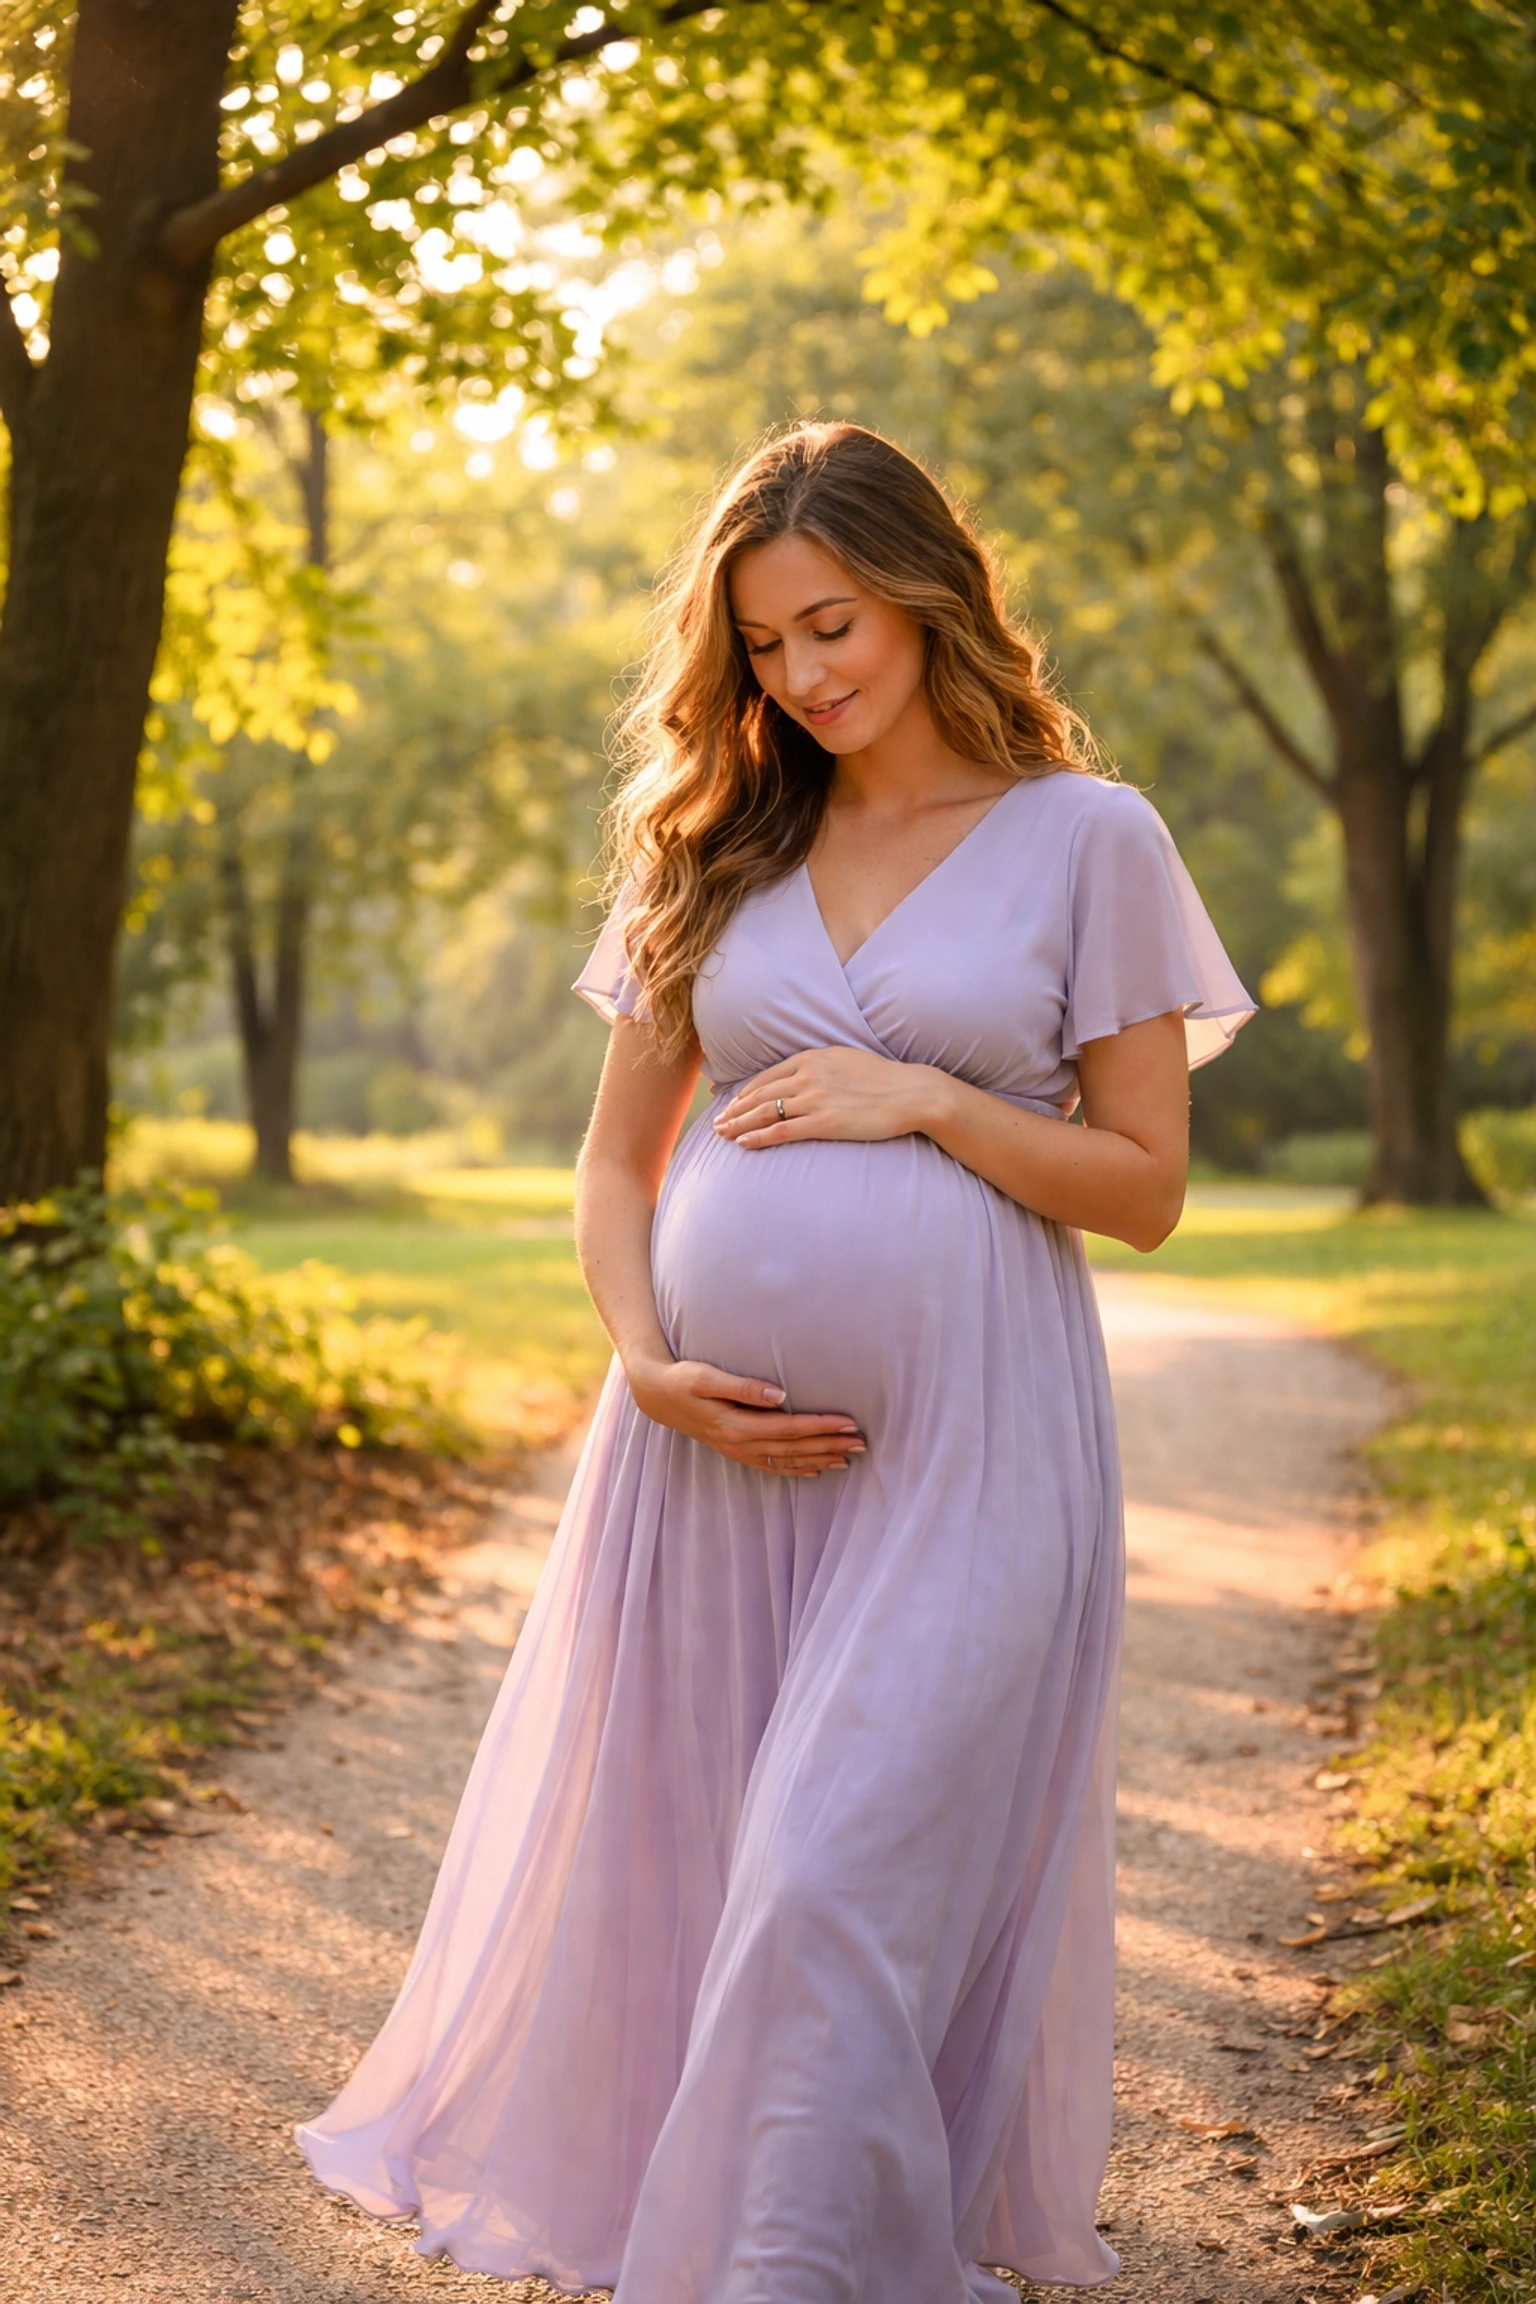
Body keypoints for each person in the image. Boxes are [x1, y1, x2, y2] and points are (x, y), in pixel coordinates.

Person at [298, 421, 1254, 2300]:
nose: (805, 674)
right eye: (764, 645)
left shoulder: (1090, 836)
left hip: (974, 1451)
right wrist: (646, 1357)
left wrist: (933, 1100)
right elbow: (612, 1164)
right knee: (705, 1875)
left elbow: (1145, 1188)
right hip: (701, 1462)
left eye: (834, 626)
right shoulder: (719, 844)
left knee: (829, 1880)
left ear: (925, 596)